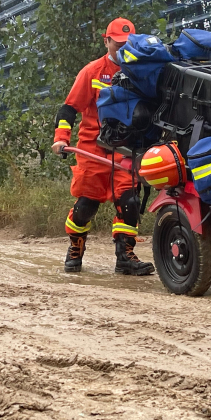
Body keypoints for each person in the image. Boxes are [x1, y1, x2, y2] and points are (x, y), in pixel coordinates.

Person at [51, 18, 154, 276]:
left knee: (129, 201)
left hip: (126, 151)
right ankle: (75, 248)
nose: (122, 50)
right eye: (117, 44)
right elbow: (69, 108)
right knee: (87, 205)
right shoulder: (92, 72)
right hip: (92, 150)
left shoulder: (141, 71)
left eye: (127, 45)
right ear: (106, 41)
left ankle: (125, 257)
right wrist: (61, 136)